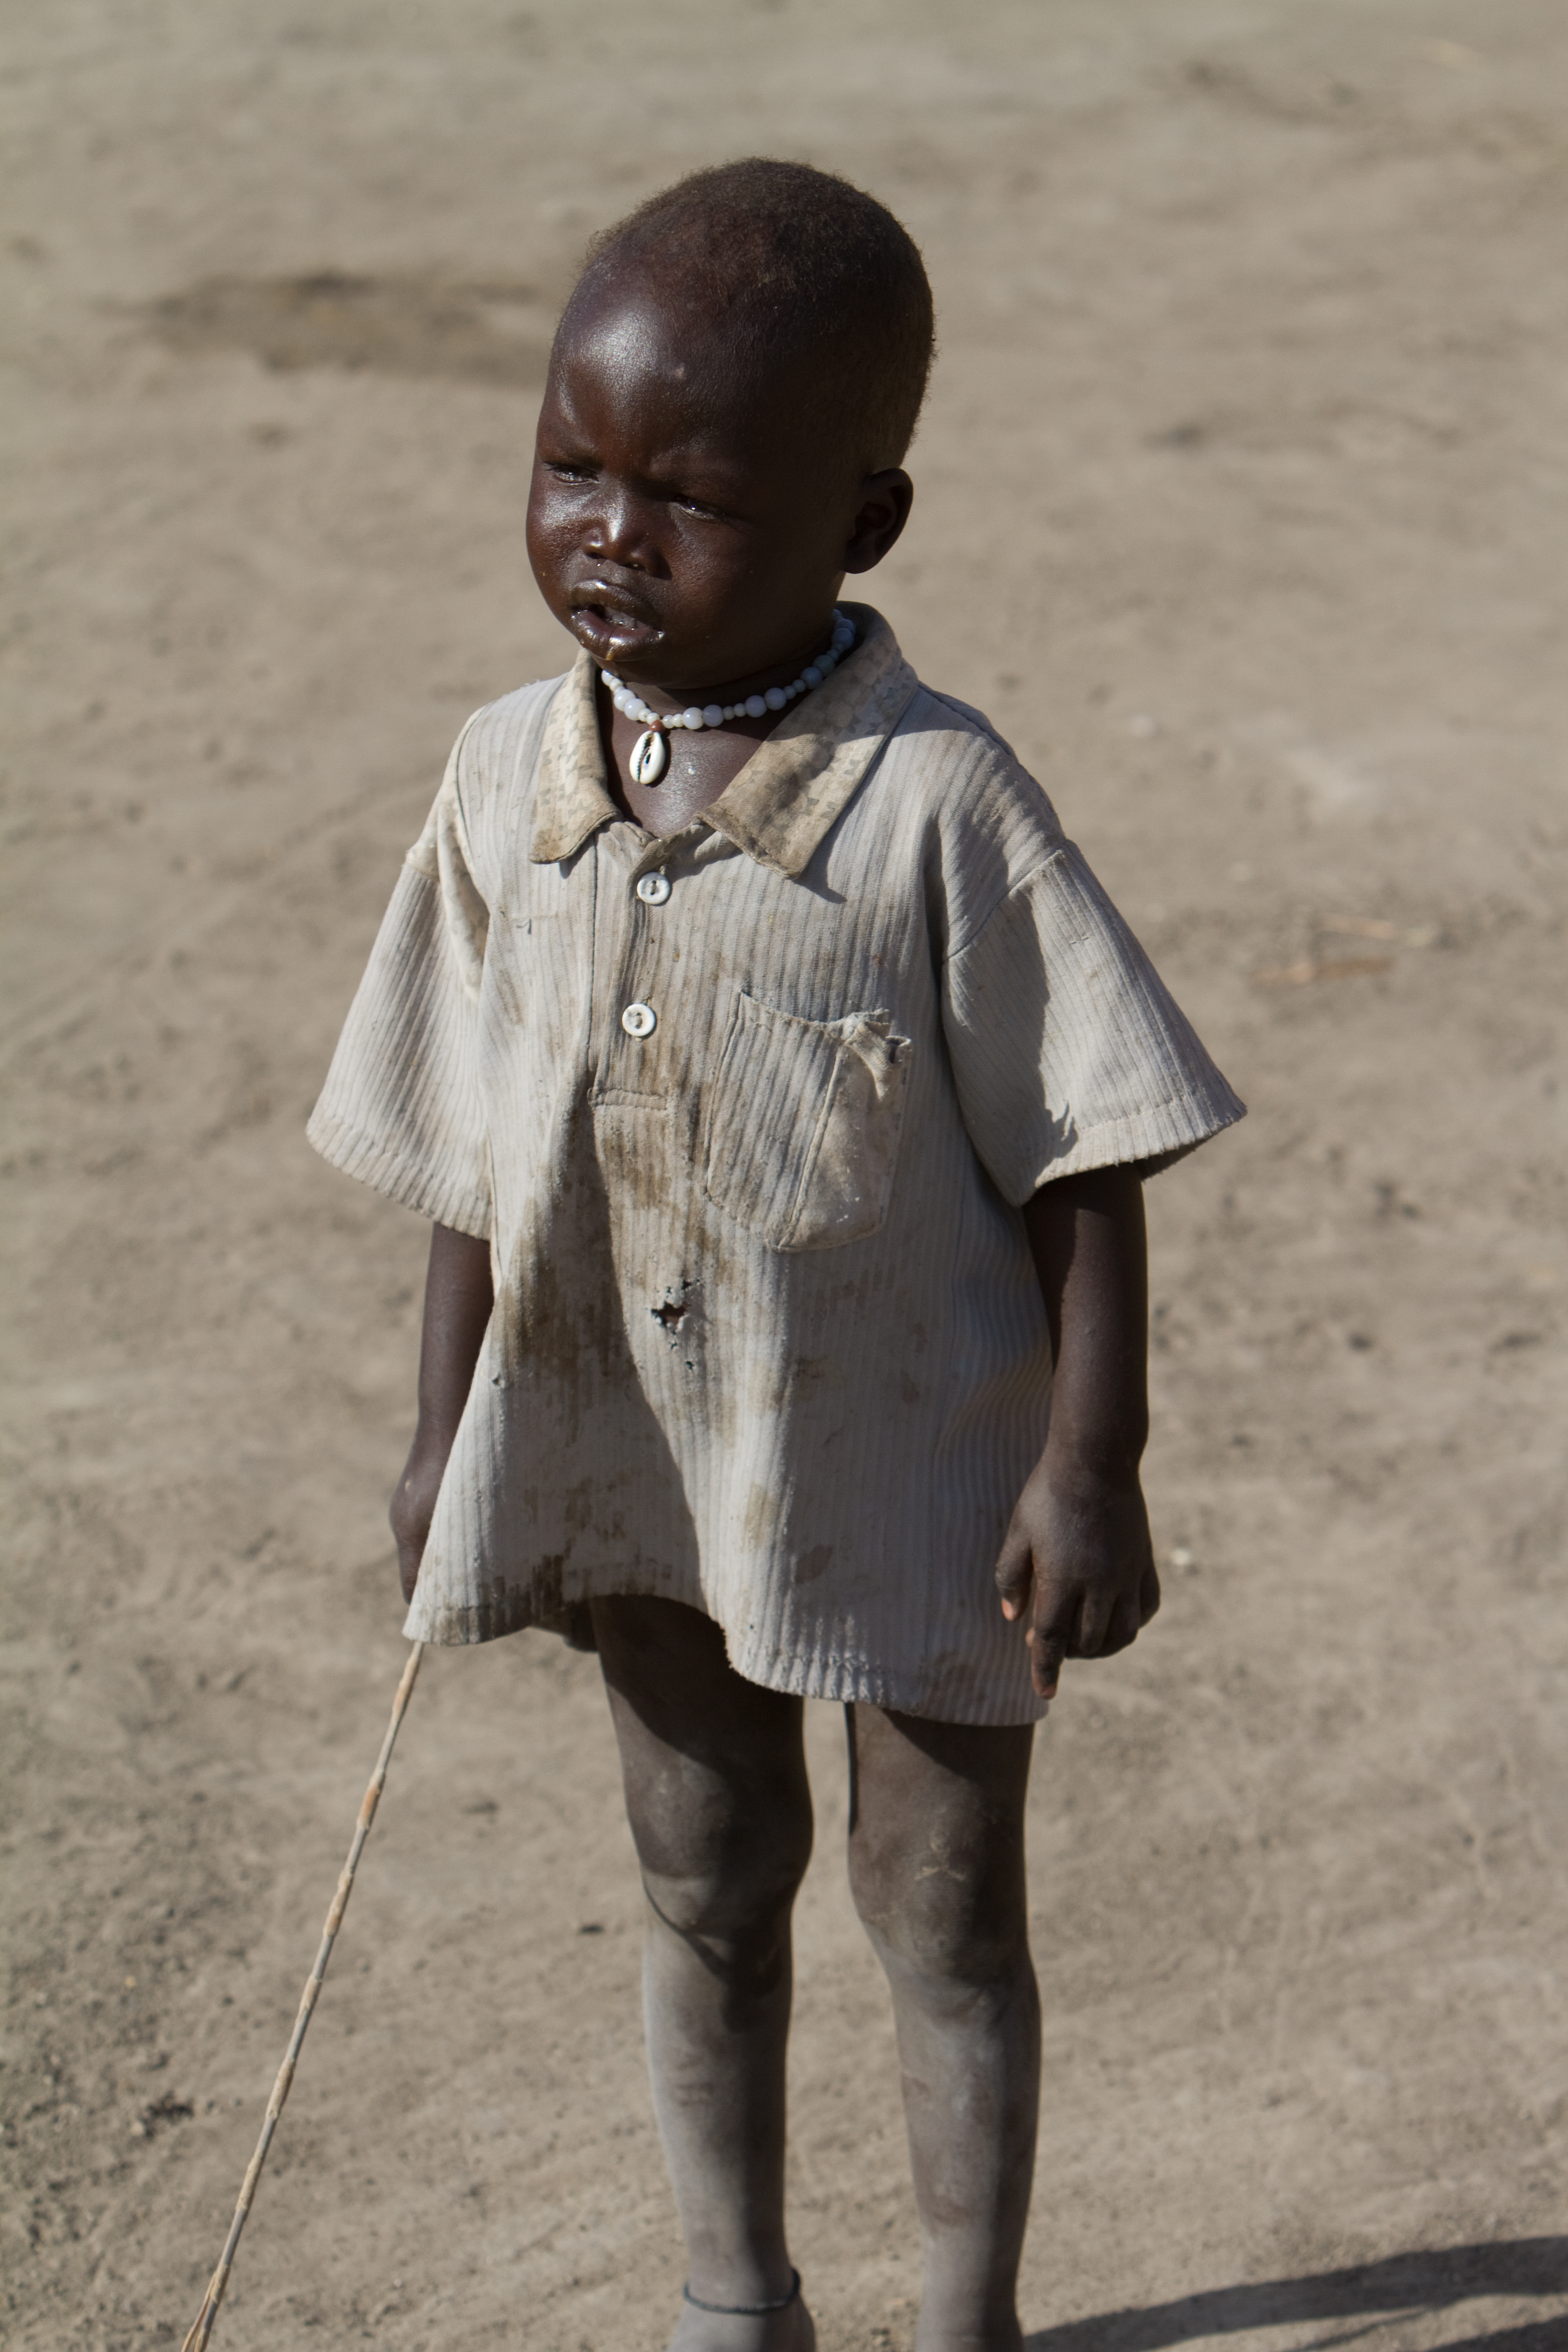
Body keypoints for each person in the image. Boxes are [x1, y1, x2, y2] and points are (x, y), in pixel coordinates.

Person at [307, 159, 1243, 2352]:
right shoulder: (497, 781)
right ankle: (738, 2306)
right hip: (638, 1460)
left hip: (918, 1469)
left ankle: (965, 2322)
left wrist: (1089, 1465)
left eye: (690, 500)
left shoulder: (937, 808)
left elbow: (1083, 1162)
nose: (608, 537)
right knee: (704, 1888)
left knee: (945, 1912)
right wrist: (445, 1434)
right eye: (570, 468)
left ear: (864, 525)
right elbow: (473, 1154)